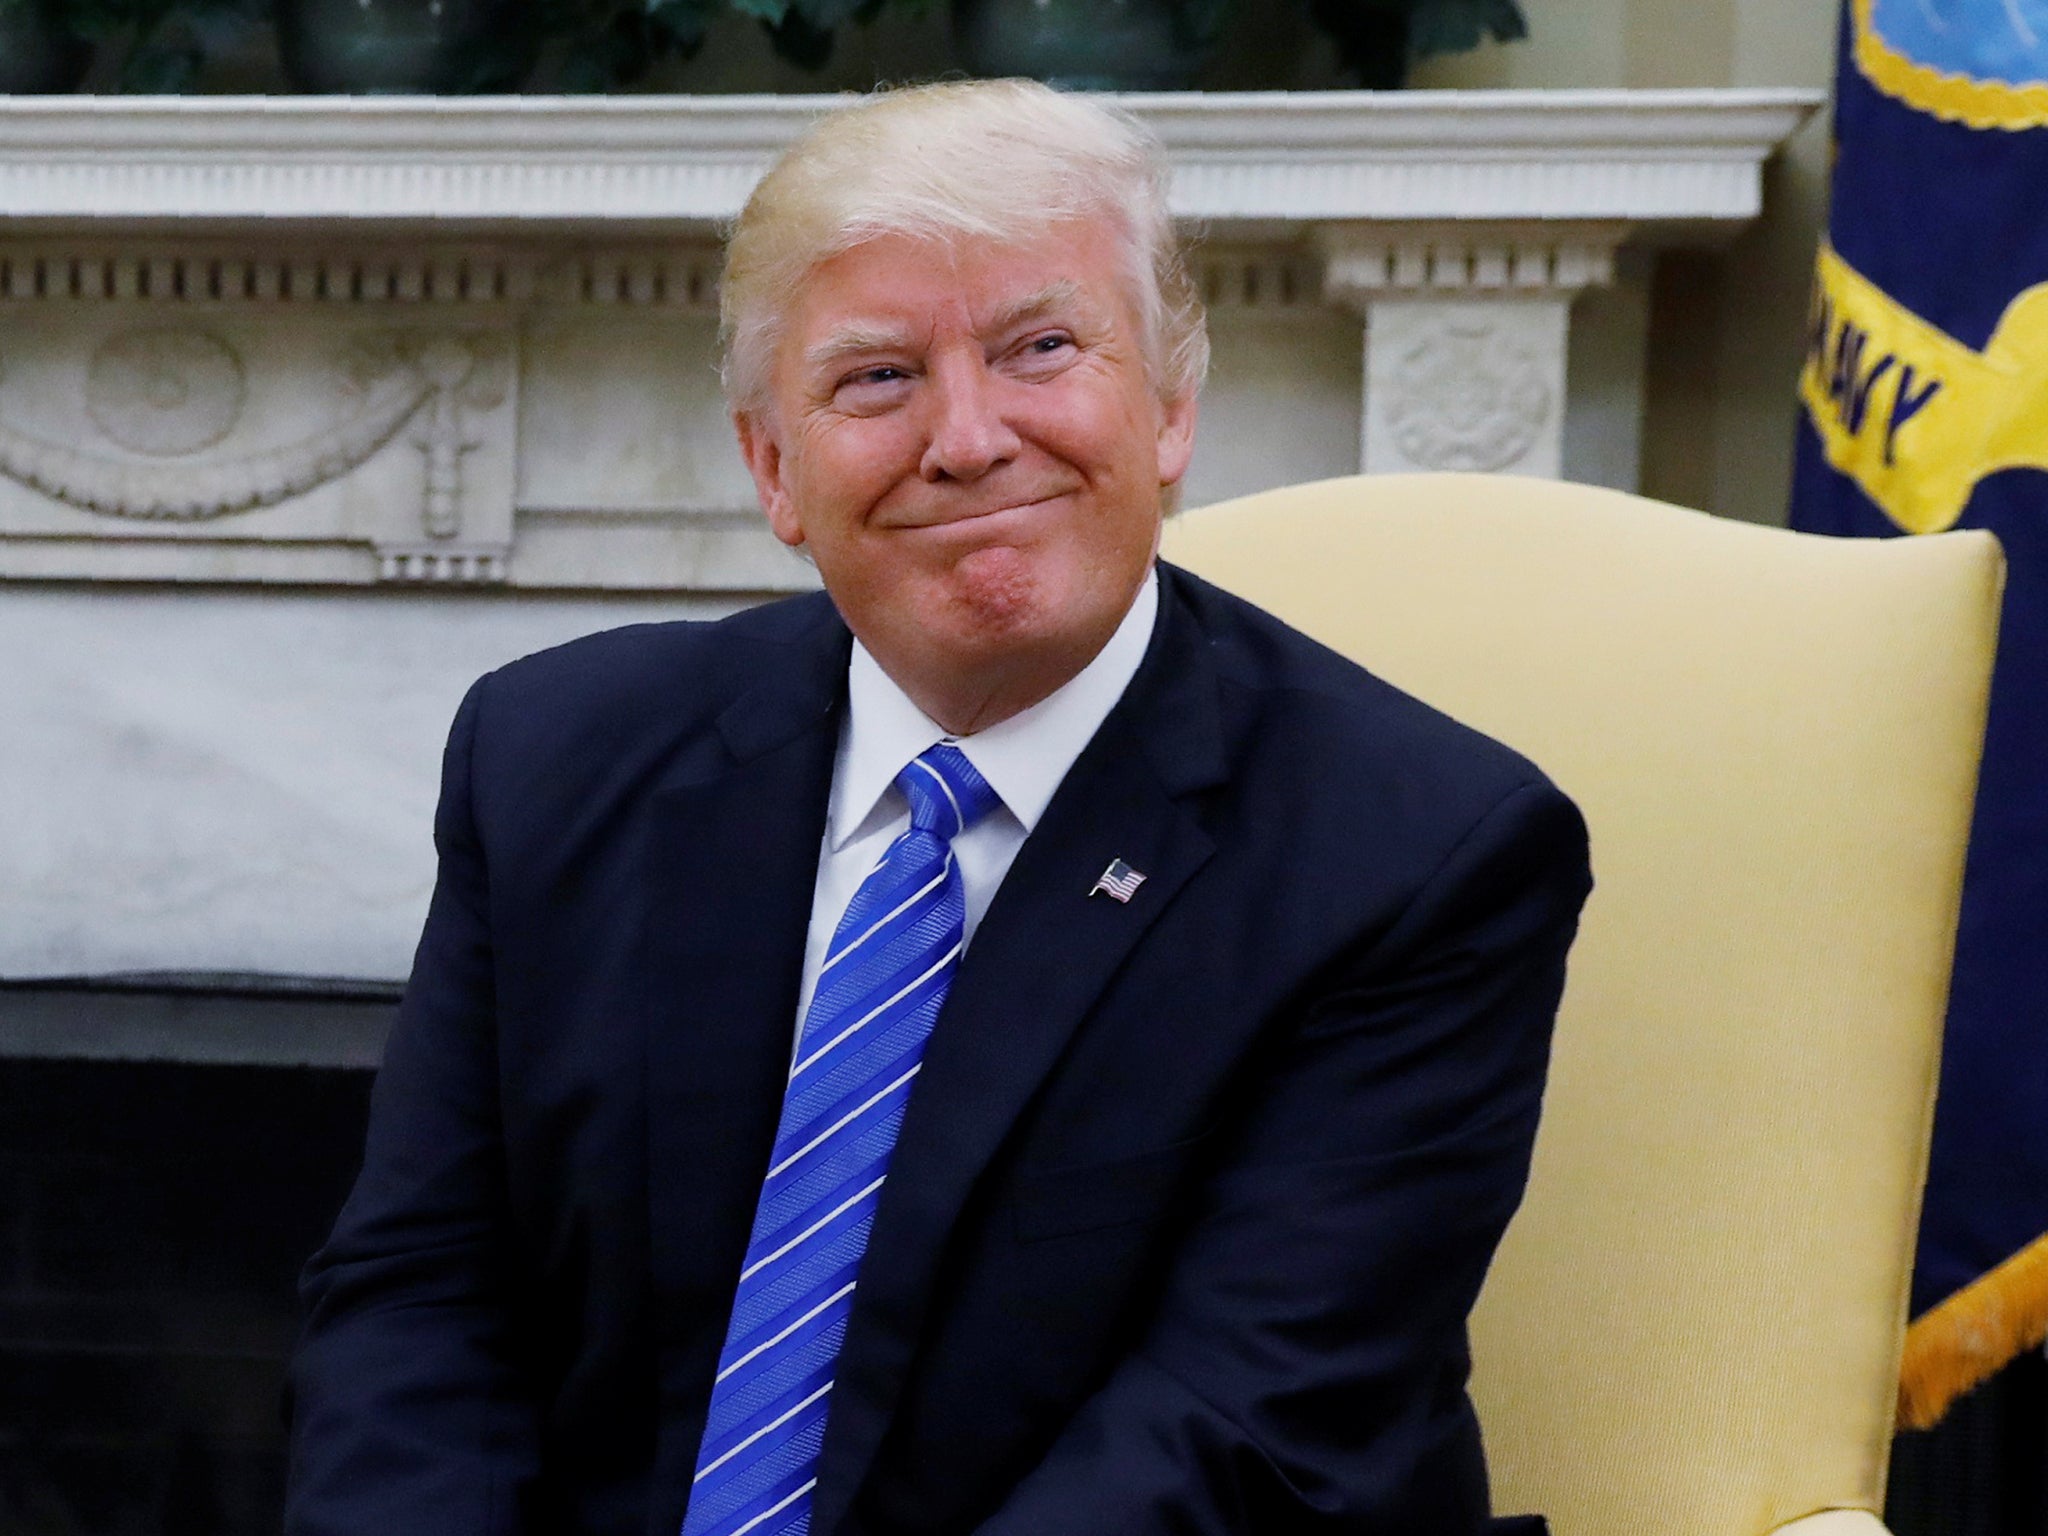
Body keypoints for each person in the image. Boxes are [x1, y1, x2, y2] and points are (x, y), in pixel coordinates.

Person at [285, 80, 1591, 1536]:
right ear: (774, 469)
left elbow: (1243, 1434)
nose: (968, 440)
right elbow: (420, 1301)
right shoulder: (556, 759)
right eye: (877, 379)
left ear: (1167, 409)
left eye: (1041, 348)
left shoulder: (1420, 854)